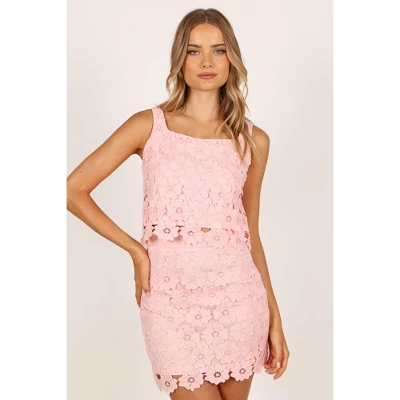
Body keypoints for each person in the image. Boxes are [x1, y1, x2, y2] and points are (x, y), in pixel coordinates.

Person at [67, 7, 289, 400]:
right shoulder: (149, 125)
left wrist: (274, 315)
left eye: (218, 50)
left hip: (239, 300)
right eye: (193, 51)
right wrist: (136, 251)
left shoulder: (254, 140)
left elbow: (250, 233)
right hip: (170, 300)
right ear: (179, 60)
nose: (207, 62)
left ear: (232, 59)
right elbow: (73, 190)